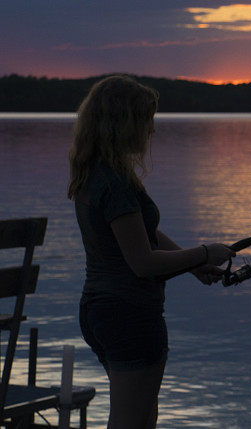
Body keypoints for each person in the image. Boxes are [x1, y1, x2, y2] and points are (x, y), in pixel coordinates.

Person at [68, 75, 234, 429]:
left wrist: (193, 264)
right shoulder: (115, 183)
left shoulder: (97, 173)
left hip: (99, 310)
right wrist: (205, 252)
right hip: (129, 316)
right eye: (146, 121)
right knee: (133, 421)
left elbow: (142, 233)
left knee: (141, 418)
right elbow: (142, 263)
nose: (151, 131)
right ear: (124, 124)